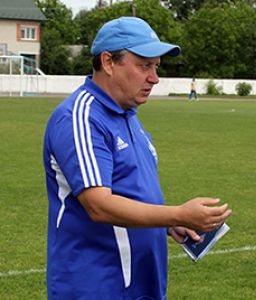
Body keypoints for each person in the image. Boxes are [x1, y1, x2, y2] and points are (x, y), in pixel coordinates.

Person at [43, 16, 231, 300]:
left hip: (143, 285)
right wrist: (178, 213)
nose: (154, 78)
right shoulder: (79, 117)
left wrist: (169, 224)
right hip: (97, 287)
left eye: (156, 66)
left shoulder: (128, 116)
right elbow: (99, 205)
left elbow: (130, 191)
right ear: (108, 62)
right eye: (144, 65)